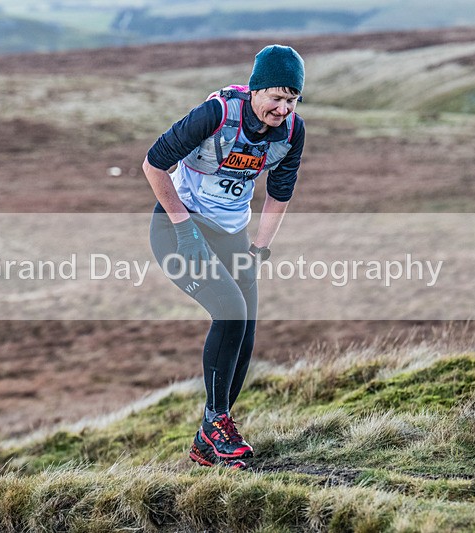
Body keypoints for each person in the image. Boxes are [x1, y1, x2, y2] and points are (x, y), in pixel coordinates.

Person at [142, 44, 306, 469]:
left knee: (246, 331)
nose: (283, 108)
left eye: (292, 100)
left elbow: (279, 193)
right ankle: (217, 425)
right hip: (177, 231)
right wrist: (184, 227)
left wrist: (259, 249)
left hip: (232, 237)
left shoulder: (291, 132)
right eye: (277, 97)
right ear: (255, 90)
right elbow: (153, 165)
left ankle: (207, 439)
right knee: (229, 311)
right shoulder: (216, 114)